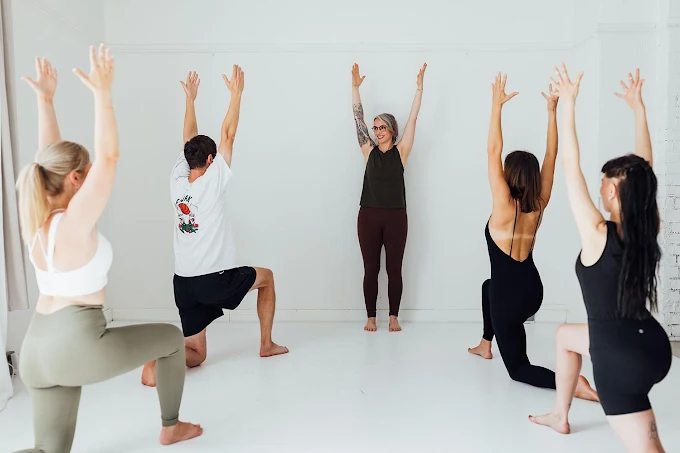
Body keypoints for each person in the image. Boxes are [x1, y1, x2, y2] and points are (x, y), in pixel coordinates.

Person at [14, 48, 202, 453]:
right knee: (172, 338)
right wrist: (103, 95)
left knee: (48, 451)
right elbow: (110, 158)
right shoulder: (75, 221)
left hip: (36, 350)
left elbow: (50, 159)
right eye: (86, 173)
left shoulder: (39, 217)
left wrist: (45, 101)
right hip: (75, 345)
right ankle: (171, 427)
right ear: (76, 179)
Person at [529, 66, 672, 452]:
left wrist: (568, 104)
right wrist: (638, 110)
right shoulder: (646, 228)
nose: (599, 185)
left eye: (604, 181)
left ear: (611, 191)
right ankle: (560, 414)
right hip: (652, 344)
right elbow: (644, 171)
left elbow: (569, 166)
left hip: (620, 358)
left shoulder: (597, 234)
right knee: (565, 336)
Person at [142, 67, 288, 387]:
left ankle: (158, 364)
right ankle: (266, 344)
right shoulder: (213, 180)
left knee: (196, 352)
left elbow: (188, 139)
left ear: (189, 158)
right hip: (213, 280)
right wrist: (237, 94)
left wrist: (190, 100)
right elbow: (228, 135)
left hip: (183, 283)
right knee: (266, 278)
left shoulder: (178, 180)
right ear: (210, 160)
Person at [467, 73, 598, 400]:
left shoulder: (503, 204)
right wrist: (552, 111)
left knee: (518, 369)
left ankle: (573, 384)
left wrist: (496, 106)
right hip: (532, 291)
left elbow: (492, 150)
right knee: (487, 286)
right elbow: (552, 156)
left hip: (509, 300)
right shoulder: (539, 203)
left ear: (508, 174)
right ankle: (485, 344)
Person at [351, 62, 427, 332]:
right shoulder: (368, 151)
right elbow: (357, 119)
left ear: (392, 130)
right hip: (368, 216)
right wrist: (355, 88)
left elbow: (413, 118)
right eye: (375, 128)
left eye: (382, 127)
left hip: (396, 217)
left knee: (394, 268)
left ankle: (394, 316)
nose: (377, 131)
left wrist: (419, 89)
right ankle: (371, 317)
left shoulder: (401, 151)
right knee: (371, 269)